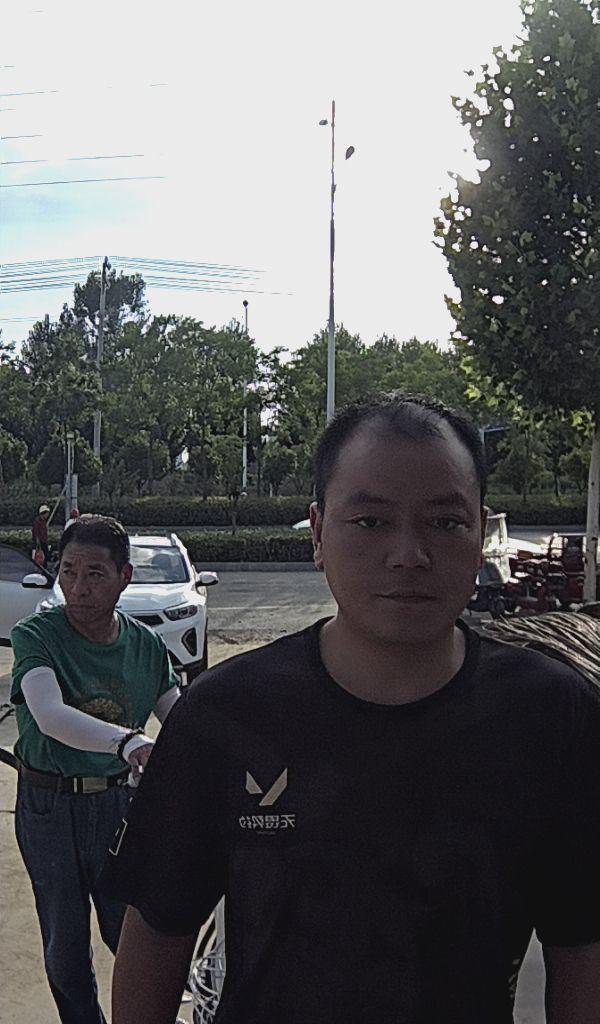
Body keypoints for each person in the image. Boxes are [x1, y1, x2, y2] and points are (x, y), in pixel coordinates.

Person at [108, 395, 600, 1024]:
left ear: (482, 534)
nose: (409, 553)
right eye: (370, 522)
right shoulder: (226, 713)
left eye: (445, 522)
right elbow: (159, 929)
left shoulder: (550, 715)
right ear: (318, 534)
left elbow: (581, 944)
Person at [10, 513, 181, 1024]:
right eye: (68, 571)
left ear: (124, 577)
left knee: (128, 932)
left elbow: (180, 720)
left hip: (117, 806)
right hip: (48, 806)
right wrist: (127, 741)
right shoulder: (37, 635)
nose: (78, 588)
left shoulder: (145, 646)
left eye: (94, 574)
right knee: (64, 946)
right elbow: (49, 714)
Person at [32, 502, 51, 567]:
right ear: (43, 513)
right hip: (40, 542)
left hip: (44, 541)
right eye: (47, 513)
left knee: (45, 556)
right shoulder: (37, 521)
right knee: (40, 557)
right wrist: (37, 541)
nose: (47, 515)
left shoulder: (43, 521)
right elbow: (36, 532)